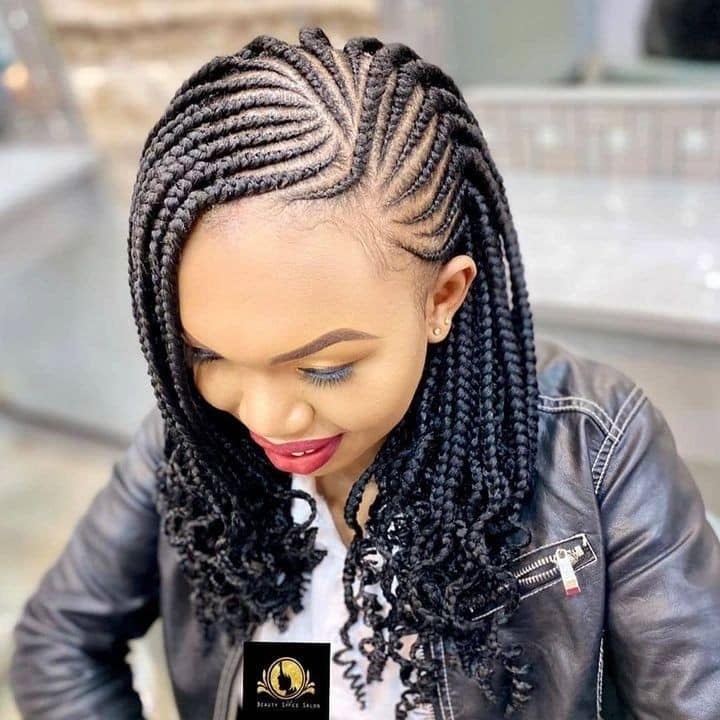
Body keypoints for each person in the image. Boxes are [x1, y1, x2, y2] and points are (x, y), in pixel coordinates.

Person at [9, 26, 720, 720]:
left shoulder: (594, 451)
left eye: (324, 367)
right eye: (210, 355)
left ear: (443, 298)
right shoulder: (193, 447)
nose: (266, 417)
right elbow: (57, 646)